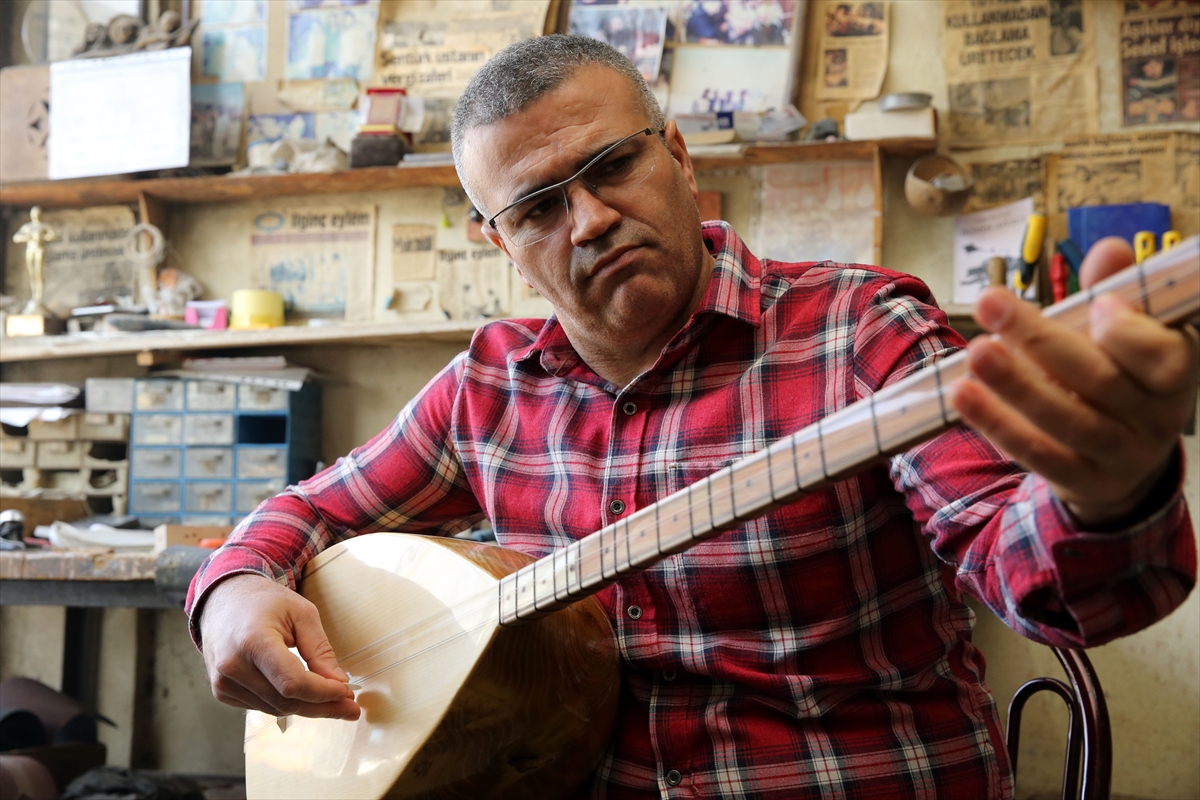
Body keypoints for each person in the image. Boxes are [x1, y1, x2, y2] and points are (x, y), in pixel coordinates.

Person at [189, 35, 1198, 799]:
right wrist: (232, 588)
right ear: (497, 239)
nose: (585, 220)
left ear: (676, 154)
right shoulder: (486, 387)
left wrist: (1109, 491)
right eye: (537, 206)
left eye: (610, 169)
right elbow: (305, 512)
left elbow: (1049, 582)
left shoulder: (860, 328)